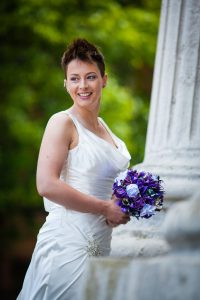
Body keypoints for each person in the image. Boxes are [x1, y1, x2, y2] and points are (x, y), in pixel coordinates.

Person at [17, 38, 131, 300]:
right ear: (65, 83)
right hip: (67, 244)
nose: (83, 86)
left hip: (101, 244)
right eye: (74, 78)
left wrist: (124, 204)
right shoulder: (62, 122)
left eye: (90, 77)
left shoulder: (110, 134)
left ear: (104, 79)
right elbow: (46, 185)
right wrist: (105, 208)